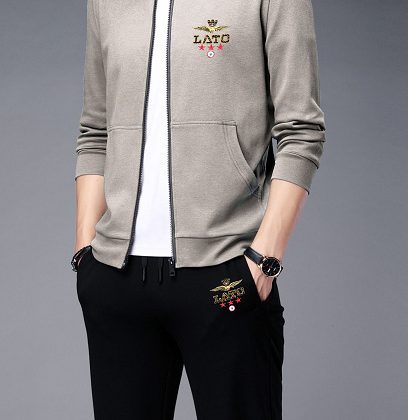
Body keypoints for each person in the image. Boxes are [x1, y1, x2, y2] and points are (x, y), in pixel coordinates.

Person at [70, 0, 326, 419]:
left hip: (226, 273)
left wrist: (264, 259)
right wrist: (85, 250)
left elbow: (301, 130)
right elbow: (96, 131)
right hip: (115, 281)